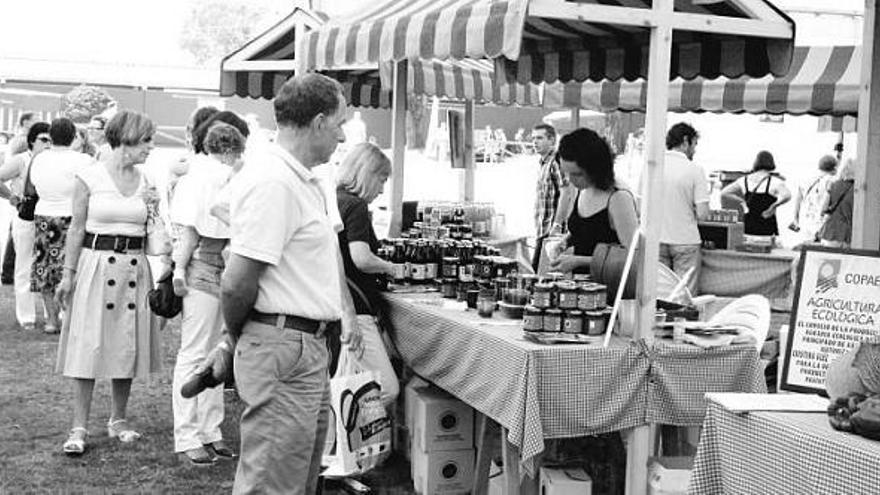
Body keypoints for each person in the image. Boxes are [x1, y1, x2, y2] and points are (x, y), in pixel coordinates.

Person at [217, 73, 361, 494]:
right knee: (272, 482)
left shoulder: (299, 177)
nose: (341, 135)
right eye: (339, 123)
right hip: (283, 345)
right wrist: (236, 337)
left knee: (293, 477)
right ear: (318, 122)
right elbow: (236, 282)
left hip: (300, 346)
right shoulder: (273, 180)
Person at [54, 110, 166, 456]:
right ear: (127, 138)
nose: (151, 147)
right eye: (146, 140)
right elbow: (76, 228)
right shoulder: (89, 176)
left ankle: (118, 419)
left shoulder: (147, 181)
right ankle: (79, 425)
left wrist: (155, 212)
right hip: (96, 266)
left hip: (134, 267)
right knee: (88, 344)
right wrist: (68, 274)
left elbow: (155, 238)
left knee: (125, 343)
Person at [170, 123, 247, 465]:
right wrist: (176, 271)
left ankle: (201, 433)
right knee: (212, 348)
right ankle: (195, 434)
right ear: (232, 149)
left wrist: (175, 269)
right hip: (213, 262)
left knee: (202, 349)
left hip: (204, 262)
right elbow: (190, 232)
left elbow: (186, 232)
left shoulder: (193, 177)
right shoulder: (225, 175)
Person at [335, 142, 399, 406]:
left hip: (340, 305)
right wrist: (391, 267)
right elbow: (361, 258)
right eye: (382, 180)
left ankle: (336, 444)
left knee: (342, 383)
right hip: (357, 311)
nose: (383, 189)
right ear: (367, 174)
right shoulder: (357, 206)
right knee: (386, 388)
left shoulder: (335, 199)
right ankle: (355, 438)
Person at [29, 117, 94, 333]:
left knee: (44, 268)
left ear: (51, 136)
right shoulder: (83, 160)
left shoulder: (39, 158)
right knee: (71, 267)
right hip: (72, 217)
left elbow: (32, 186)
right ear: (73, 135)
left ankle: (51, 319)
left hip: (43, 216)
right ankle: (69, 316)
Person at [547, 128, 639, 274]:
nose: (571, 180)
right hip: (581, 288)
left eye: (577, 174)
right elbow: (586, 232)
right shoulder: (582, 189)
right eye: (567, 173)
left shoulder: (618, 198)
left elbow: (633, 257)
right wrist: (566, 241)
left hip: (606, 289)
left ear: (595, 169)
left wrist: (579, 261)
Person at [0, 122, 51, 330]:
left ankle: (52, 313)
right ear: (32, 141)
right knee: (24, 266)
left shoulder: (53, 161)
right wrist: (12, 197)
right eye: (43, 140)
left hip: (50, 218)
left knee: (49, 266)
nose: (48, 144)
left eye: (51, 140)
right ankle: (26, 316)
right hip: (26, 217)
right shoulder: (21, 160)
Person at [659, 122, 709, 295]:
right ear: (686, 141)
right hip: (686, 239)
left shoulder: (652, 167)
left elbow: (640, 207)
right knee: (683, 296)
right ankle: (680, 322)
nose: (694, 150)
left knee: (660, 294)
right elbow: (703, 214)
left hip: (656, 239)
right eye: (695, 144)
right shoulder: (695, 170)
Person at [721, 151, 791, 236]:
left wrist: (742, 201)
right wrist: (773, 206)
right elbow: (787, 196)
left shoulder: (744, 180)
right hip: (767, 224)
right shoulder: (775, 181)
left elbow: (724, 193)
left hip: (748, 224)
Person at [532, 123, 566, 272]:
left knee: (542, 274)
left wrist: (557, 225)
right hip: (543, 228)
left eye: (540, 138)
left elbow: (567, 193)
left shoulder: (556, 161)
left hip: (552, 231)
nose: (535, 142)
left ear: (552, 140)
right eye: (533, 138)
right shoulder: (544, 163)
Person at [790, 154, 837, 244]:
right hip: (821, 222)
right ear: (834, 167)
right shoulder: (833, 181)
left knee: (805, 250)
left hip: (806, 221)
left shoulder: (806, 179)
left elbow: (797, 202)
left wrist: (796, 219)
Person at [818, 158, 856, 248]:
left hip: (831, 232)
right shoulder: (859, 190)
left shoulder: (834, 185)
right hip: (849, 234)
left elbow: (823, 209)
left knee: (829, 261)